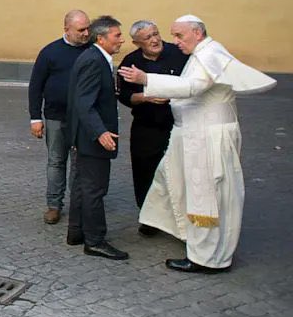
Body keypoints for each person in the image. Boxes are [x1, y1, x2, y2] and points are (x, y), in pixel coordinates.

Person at [118, 15, 276, 273]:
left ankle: (207, 258)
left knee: (207, 196)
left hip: (206, 138)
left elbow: (194, 86)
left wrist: (147, 79)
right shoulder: (201, 52)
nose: (174, 41)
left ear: (197, 33)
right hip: (193, 134)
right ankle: (188, 236)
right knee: (170, 180)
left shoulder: (208, 54)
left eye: (179, 36)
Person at [116, 20, 188, 235]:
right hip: (146, 124)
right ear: (137, 43)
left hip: (178, 121)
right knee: (144, 170)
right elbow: (125, 96)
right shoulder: (130, 62)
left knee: (180, 169)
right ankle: (149, 218)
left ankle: (181, 218)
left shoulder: (179, 54)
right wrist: (145, 97)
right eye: (148, 38)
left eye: (156, 34)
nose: (155, 40)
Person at [65, 15, 128, 260]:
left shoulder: (95, 58)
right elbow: (84, 102)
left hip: (86, 136)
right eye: (117, 35)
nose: (121, 40)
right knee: (94, 189)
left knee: (83, 185)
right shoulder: (94, 60)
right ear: (101, 38)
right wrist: (100, 132)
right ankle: (95, 240)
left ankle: (76, 232)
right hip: (92, 137)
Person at [28, 10, 91, 224]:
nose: (86, 33)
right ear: (66, 29)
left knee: (80, 163)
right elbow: (35, 86)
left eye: (87, 28)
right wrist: (35, 118)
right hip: (56, 116)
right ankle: (54, 205)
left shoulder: (91, 51)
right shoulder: (50, 52)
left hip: (83, 119)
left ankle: (78, 205)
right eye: (81, 30)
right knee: (56, 161)